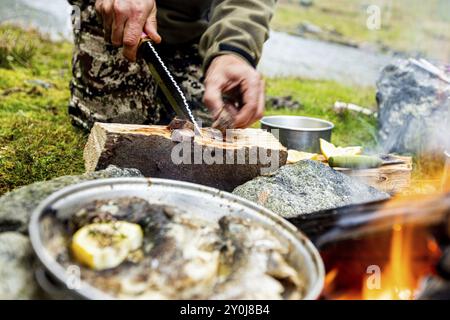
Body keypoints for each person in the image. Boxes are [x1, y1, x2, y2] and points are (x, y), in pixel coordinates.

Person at [68, 0, 276, 130]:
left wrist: (234, 50)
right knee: (122, 125)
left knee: (205, 135)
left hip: (191, 29)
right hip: (119, 17)